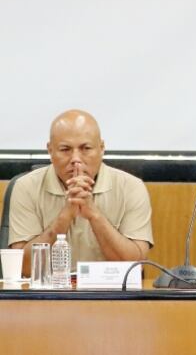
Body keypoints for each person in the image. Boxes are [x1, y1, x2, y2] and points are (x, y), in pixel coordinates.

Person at [8, 109, 153, 275]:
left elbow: (135, 266)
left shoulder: (131, 187)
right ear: (50, 150)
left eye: (86, 148)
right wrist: (66, 215)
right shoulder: (26, 187)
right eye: (65, 149)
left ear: (102, 148)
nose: (75, 158)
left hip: (109, 296)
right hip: (48, 296)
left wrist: (94, 215)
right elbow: (23, 268)